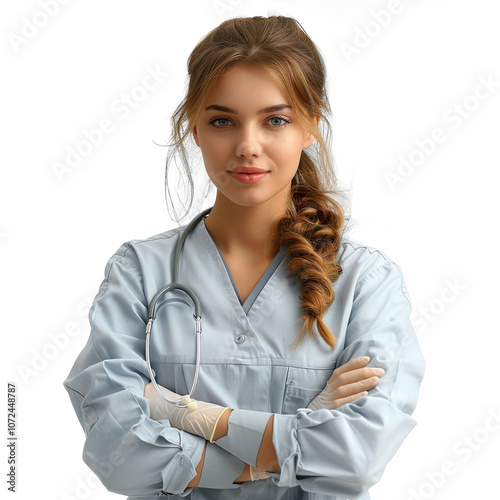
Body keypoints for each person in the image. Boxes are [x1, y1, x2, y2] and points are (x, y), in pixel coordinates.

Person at [63, 15, 425, 499]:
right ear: (193, 128)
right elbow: (122, 459)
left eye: (276, 120)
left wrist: (178, 412)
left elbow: (356, 458)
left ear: (311, 125)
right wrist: (299, 434)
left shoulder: (367, 282)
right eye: (222, 121)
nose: (247, 147)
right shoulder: (139, 273)